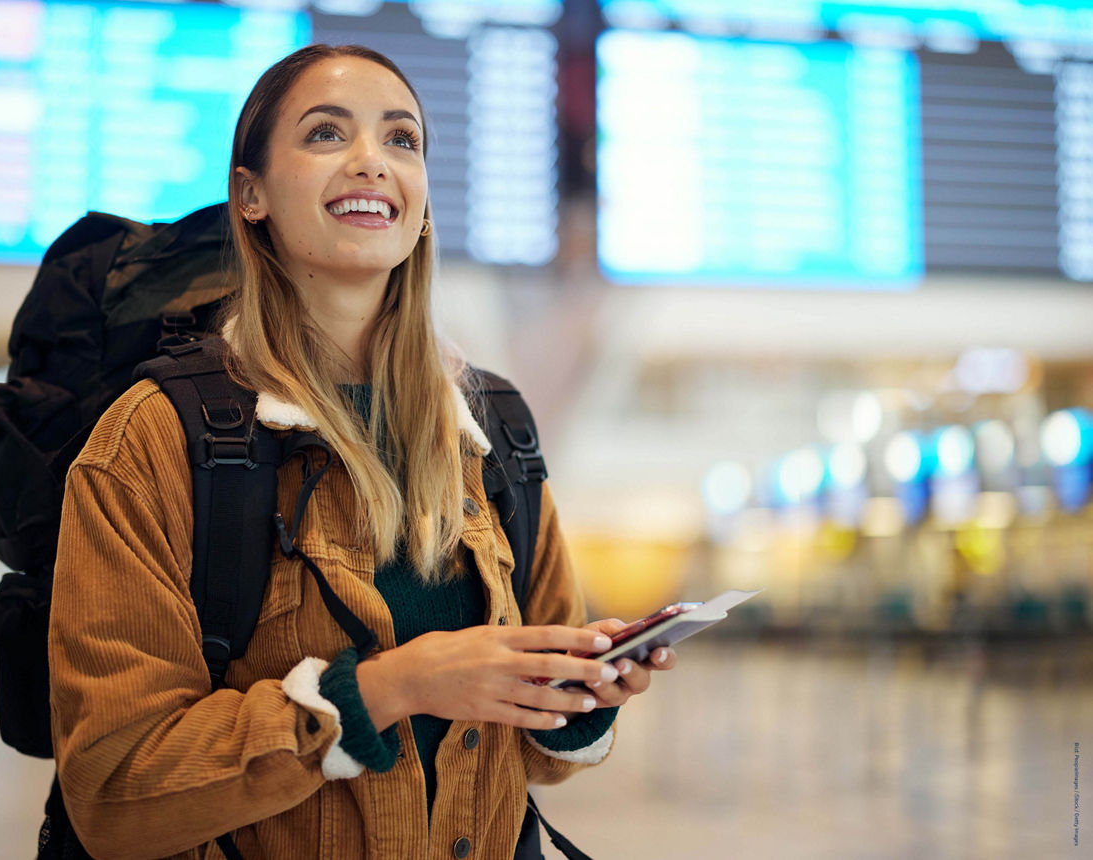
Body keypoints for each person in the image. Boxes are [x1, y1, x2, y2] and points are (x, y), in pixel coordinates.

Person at [48, 44, 677, 860]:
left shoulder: (494, 434)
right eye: (325, 134)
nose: (371, 162)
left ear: (420, 203)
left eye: (401, 140)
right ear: (251, 195)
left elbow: (525, 753)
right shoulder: (156, 440)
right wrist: (390, 689)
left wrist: (583, 693)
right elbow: (116, 793)